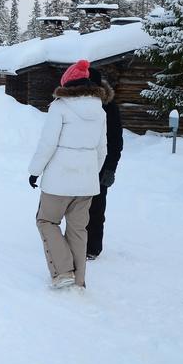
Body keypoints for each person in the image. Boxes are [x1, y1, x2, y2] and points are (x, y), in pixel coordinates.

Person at [27, 59, 108, 289]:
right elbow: (103, 149)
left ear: (67, 83)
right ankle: (79, 279)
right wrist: (92, 172)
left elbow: (47, 144)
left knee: (46, 220)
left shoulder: (60, 106)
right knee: (78, 229)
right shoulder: (99, 109)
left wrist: (35, 171)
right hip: (87, 181)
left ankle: (63, 272)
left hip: (59, 181)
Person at [86, 67, 123, 260]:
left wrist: (111, 168)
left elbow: (116, 140)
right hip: (79, 164)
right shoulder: (79, 104)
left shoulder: (108, 106)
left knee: (97, 207)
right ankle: (75, 243)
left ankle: (92, 248)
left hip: (102, 165)